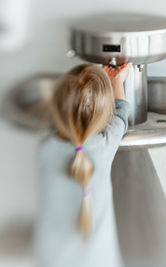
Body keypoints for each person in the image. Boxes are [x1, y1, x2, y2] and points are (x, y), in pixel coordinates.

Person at [35, 62, 132, 267]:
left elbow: (58, 121)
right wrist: (117, 82)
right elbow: (122, 113)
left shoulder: (45, 148)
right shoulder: (103, 144)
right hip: (97, 260)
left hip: (52, 258)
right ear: (103, 113)